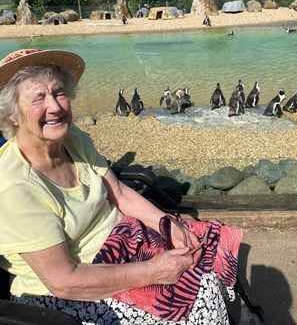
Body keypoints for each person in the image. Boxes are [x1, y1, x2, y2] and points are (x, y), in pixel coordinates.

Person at [0, 48, 243, 324]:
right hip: (65, 296)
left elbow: (120, 192)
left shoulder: (73, 140)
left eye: (58, 93)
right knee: (202, 292)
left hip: (124, 243)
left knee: (208, 244)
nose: (54, 107)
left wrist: (167, 223)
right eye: (38, 98)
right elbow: (64, 281)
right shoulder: (14, 186)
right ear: (12, 115)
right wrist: (153, 271)